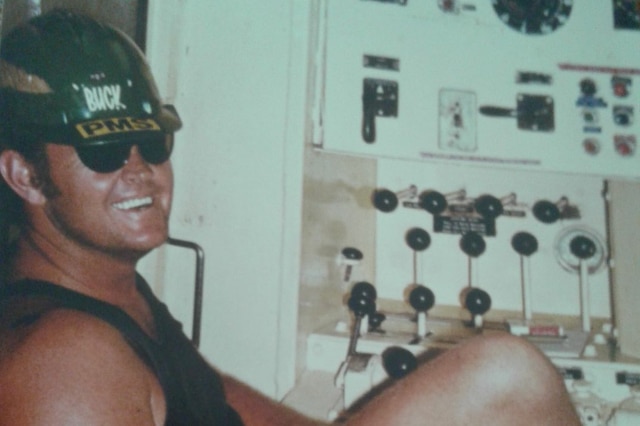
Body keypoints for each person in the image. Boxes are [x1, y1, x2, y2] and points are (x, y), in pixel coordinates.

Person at [0, 9, 581, 426]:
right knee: (505, 379)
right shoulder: (64, 362)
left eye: (151, 144)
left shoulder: (112, 292)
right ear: (24, 176)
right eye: (102, 153)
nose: (140, 171)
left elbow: (212, 398)